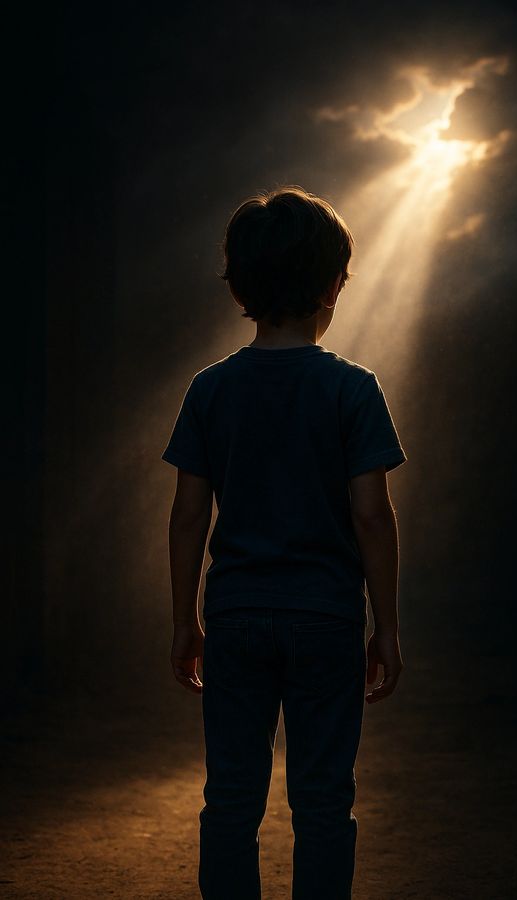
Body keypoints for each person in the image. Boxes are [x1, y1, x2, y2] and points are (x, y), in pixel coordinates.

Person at [161, 185, 407, 899]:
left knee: (231, 800)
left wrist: (186, 619)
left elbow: (187, 517)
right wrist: (386, 626)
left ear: (239, 287)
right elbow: (372, 516)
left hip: (236, 616)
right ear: (333, 286)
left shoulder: (210, 389)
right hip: (327, 618)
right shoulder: (354, 389)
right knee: (324, 802)